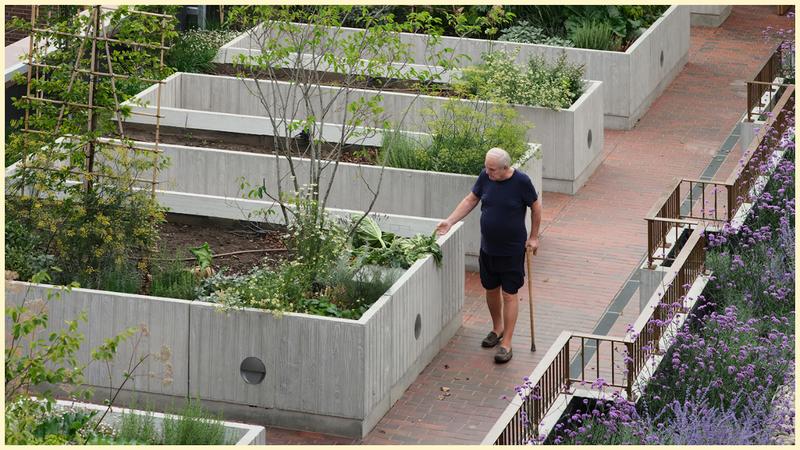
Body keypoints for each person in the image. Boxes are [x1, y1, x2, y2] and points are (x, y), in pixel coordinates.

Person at [436, 147, 541, 363]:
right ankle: (497, 328)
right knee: (491, 290)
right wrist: (450, 221)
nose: (487, 172)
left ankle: (507, 343)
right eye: (486, 167)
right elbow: (470, 200)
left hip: (511, 251)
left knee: (509, 294)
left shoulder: (521, 182)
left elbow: (536, 206)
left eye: (492, 169)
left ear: (505, 168)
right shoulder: (486, 177)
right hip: (488, 248)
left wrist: (534, 237)